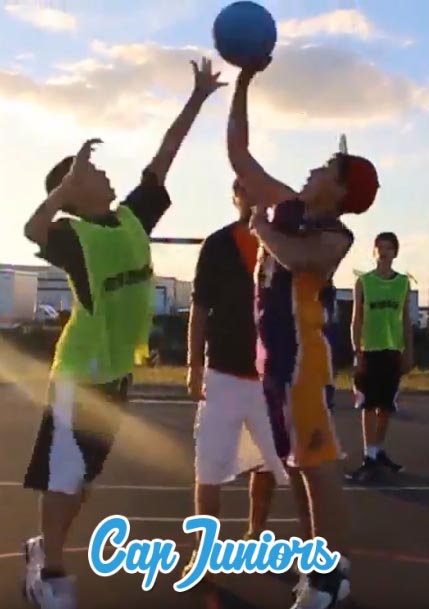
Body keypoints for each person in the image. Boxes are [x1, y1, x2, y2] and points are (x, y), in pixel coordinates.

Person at [21, 57, 225, 609]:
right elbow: (31, 228)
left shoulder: (132, 218)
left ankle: (44, 545)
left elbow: (163, 159)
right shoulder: (73, 235)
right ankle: (50, 575)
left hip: (115, 374)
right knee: (64, 478)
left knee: (81, 482)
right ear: (72, 190)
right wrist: (64, 188)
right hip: (78, 377)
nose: (107, 175)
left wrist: (197, 100)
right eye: (92, 174)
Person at [227, 62, 379, 609]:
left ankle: (332, 576)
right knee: (301, 467)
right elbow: (240, 157)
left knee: (317, 467)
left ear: (337, 191)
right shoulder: (289, 204)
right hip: (276, 363)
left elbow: (297, 258)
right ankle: (322, 566)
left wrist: (260, 227)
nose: (311, 171)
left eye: (323, 168)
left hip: (301, 363)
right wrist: (243, 85)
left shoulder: (333, 233)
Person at [184, 178, 288, 576]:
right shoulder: (218, 245)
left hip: (268, 378)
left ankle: (255, 536)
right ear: (236, 197)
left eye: (259, 190)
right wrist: (194, 364)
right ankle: (204, 557)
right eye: (245, 190)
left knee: (266, 464)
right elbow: (200, 307)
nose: (254, 197)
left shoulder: (282, 245)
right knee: (208, 467)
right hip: (223, 373)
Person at [347, 232, 413, 482]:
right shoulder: (364, 282)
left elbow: (406, 318)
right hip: (369, 350)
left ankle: (378, 450)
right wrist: (357, 351)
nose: (384, 252)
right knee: (367, 403)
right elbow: (356, 320)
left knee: (386, 404)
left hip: (392, 350)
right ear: (374, 252)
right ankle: (368, 455)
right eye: (379, 248)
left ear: (395, 252)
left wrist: (408, 351)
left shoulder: (403, 283)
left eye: (388, 248)